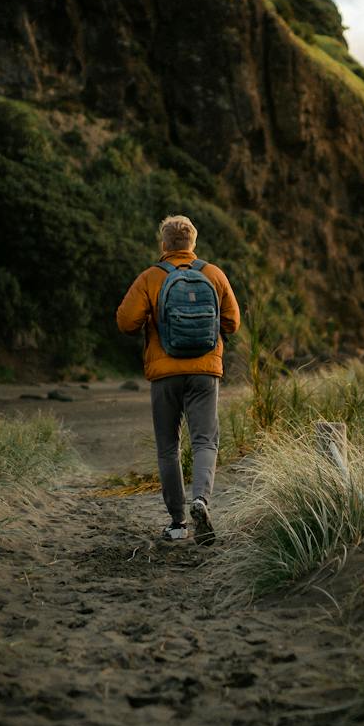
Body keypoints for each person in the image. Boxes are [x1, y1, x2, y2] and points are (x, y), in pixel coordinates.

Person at [115, 214, 241, 544]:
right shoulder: (213, 274)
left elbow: (126, 323)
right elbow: (232, 323)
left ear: (164, 245)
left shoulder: (150, 277)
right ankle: (201, 499)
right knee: (205, 441)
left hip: (165, 372)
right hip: (204, 372)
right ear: (193, 245)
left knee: (168, 447)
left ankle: (177, 522)